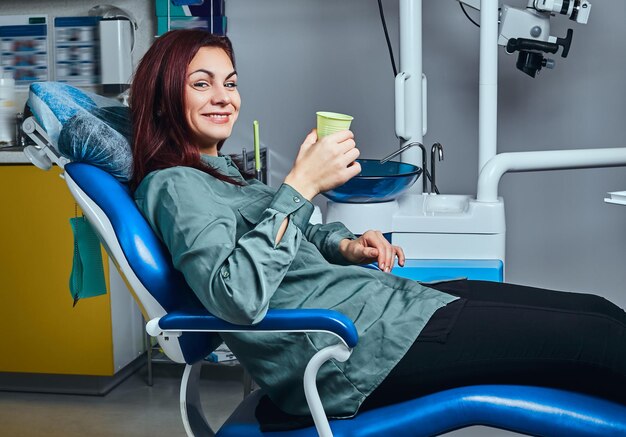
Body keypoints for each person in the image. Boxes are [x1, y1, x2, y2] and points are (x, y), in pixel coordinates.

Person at [130, 29, 626, 429]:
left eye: (230, 83)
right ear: (162, 98)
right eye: (201, 84)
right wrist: (301, 185)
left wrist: (343, 245)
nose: (223, 98)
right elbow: (236, 295)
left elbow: (280, 239)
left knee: (599, 312)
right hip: (355, 352)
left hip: (388, 309)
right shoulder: (174, 187)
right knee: (600, 341)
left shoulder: (221, 174)